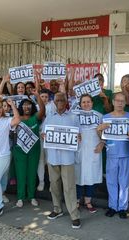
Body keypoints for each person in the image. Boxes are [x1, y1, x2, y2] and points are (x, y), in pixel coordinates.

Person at [42, 92, 81, 229]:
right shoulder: (49, 117)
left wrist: (77, 138)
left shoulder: (73, 117)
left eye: (62, 100)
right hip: (52, 157)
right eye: (57, 100)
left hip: (67, 158)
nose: (59, 102)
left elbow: (79, 135)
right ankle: (57, 209)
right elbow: (43, 133)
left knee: (69, 187)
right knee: (54, 185)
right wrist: (44, 135)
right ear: (54, 102)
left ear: (66, 102)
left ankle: (74, 215)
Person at [98, 92, 129, 218]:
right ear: (113, 102)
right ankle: (112, 206)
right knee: (111, 181)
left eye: (122, 101)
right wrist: (99, 130)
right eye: (117, 100)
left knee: (124, 181)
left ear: (126, 102)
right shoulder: (105, 117)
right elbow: (102, 138)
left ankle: (122, 208)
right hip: (111, 153)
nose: (120, 103)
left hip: (126, 153)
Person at [14, 90, 45, 207]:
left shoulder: (35, 117)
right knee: (21, 173)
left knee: (32, 173)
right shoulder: (17, 118)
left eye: (29, 105)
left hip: (34, 150)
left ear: (33, 107)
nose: (27, 107)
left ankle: (31, 196)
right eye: (24, 105)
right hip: (19, 150)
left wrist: (37, 96)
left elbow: (43, 110)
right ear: (21, 107)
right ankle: (20, 197)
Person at [74, 94, 103, 213]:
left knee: (91, 176)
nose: (86, 104)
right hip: (79, 150)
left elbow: (105, 133)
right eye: (83, 102)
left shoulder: (99, 116)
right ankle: (76, 201)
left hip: (93, 150)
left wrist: (102, 143)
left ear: (92, 103)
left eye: (88, 102)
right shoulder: (74, 116)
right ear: (80, 104)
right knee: (78, 176)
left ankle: (88, 201)